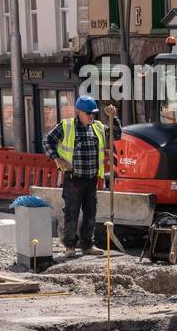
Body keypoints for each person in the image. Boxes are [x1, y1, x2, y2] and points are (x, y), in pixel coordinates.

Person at [43, 95, 121, 256]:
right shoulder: (67, 126)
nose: (91, 116)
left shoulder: (98, 127)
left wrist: (114, 118)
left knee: (90, 212)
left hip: (91, 178)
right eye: (88, 113)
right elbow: (47, 141)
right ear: (78, 112)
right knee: (72, 212)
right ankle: (70, 246)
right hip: (73, 178)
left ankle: (87, 245)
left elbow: (117, 135)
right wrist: (57, 158)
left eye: (93, 113)